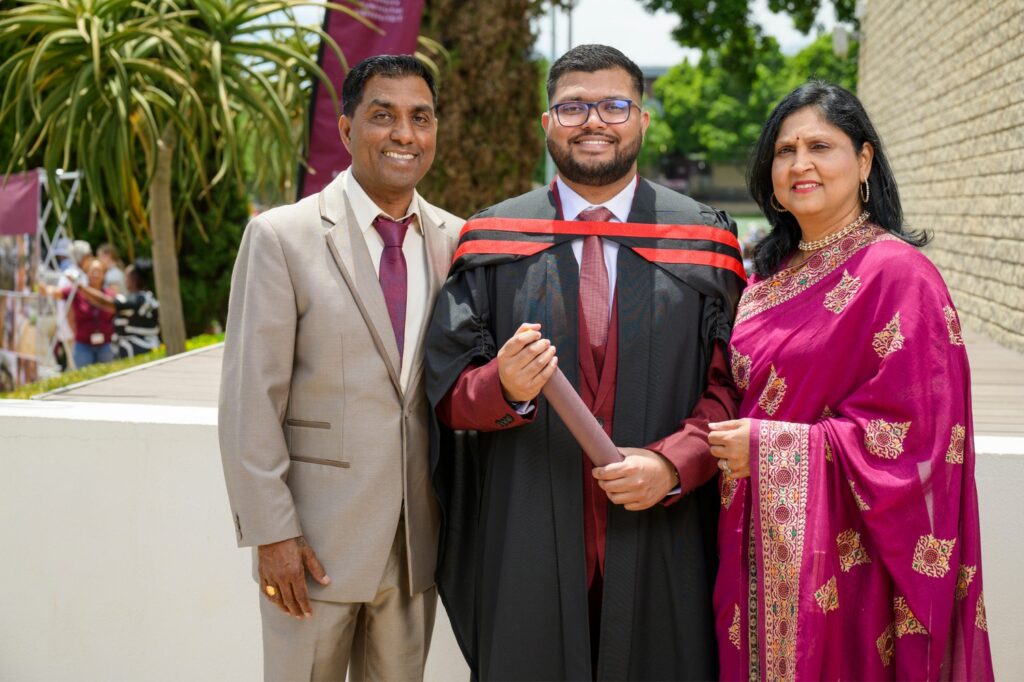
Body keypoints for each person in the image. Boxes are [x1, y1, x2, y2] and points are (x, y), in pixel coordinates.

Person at [425, 44, 746, 680]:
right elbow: (446, 389)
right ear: (547, 123)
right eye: (572, 107)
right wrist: (504, 387)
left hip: (663, 525)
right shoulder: (493, 237)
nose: (593, 120)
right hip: (528, 521)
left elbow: (735, 387)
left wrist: (673, 463)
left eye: (614, 104)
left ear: (642, 120)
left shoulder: (705, 241)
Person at [708, 81, 993, 681]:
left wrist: (771, 448)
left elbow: (921, 437)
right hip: (751, 546)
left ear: (863, 160)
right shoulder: (764, 276)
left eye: (821, 146)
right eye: (784, 151)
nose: (800, 164)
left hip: (851, 564)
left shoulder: (899, 274)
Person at [219, 55, 462, 681]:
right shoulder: (282, 236)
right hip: (312, 550)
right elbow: (251, 401)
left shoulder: (457, 241)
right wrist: (272, 535)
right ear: (347, 127)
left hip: (415, 549)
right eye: (383, 116)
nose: (404, 134)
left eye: (421, 118)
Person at [49, 257, 116, 368]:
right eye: (92, 271)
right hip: (83, 345)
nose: (95, 274)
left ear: (104, 274)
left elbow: (112, 306)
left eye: (98, 271)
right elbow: (57, 293)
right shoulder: (76, 291)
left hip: (106, 345)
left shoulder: (108, 294)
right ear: (86, 273)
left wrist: (80, 287)